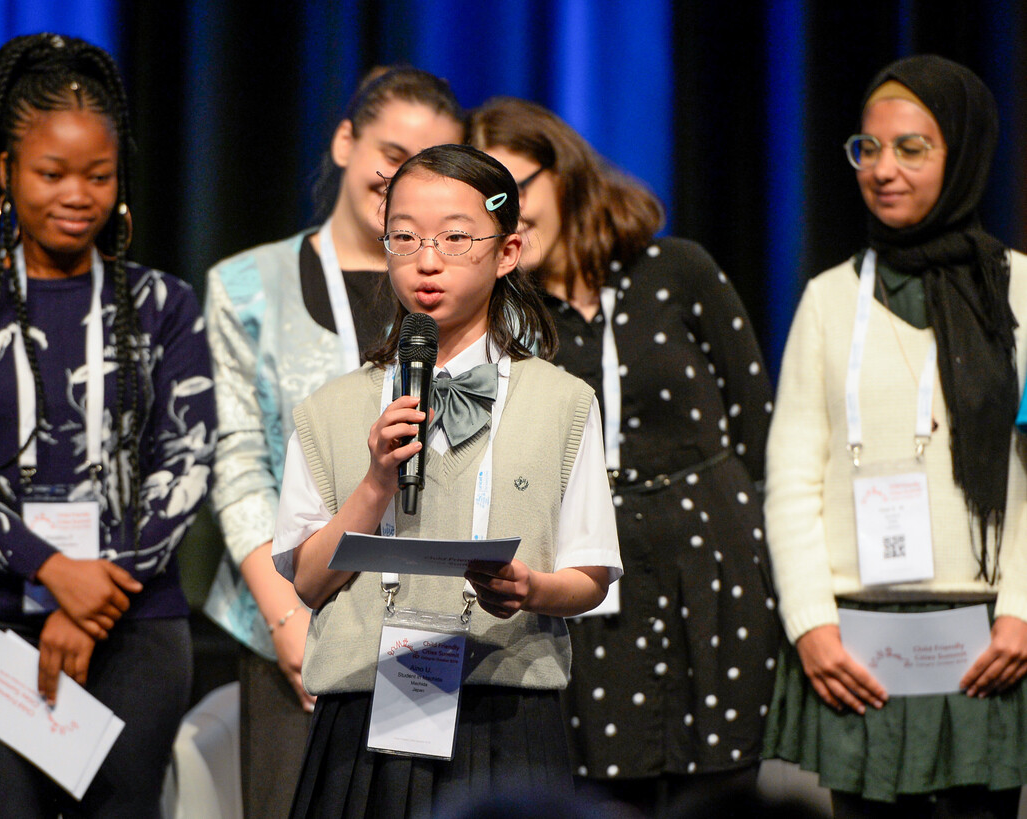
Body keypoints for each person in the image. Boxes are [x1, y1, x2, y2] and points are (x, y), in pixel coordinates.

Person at [0, 34, 216, 817]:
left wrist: (92, 593)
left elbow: (189, 460)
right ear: (6, 172)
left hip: (134, 623)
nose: (78, 194)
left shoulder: (164, 305)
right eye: (52, 173)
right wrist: (51, 568)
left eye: (98, 175)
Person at [270, 143, 622, 817]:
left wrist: (530, 588)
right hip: (363, 713)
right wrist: (376, 482)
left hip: (506, 712)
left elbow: (592, 573)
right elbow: (309, 582)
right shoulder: (331, 409)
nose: (427, 260)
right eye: (405, 237)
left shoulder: (563, 402)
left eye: (456, 238)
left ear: (507, 251)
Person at [470, 98, 779, 815]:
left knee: (720, 796)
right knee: (604, 794)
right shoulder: (502, 321)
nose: (503, 217)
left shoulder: (677, 270)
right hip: (585, 578)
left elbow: (757, 425)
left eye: (512, 191)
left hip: (713, 571)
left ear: (562, 171)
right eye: (483, 207)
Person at [764, 55, 1027, 817]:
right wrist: (811, 623)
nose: (883, 169)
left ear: (963, 153)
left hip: (988, 640)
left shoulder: (1019, 290)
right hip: (857, 645)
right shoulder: (828, 298)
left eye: (912, 148)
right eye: (868, 148)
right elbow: (791, 480)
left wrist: (1022, 608)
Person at [201, 66, 464, 817]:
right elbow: (237, 465)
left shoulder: (459, 289)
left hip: (428, 625)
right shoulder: (248, 286)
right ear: (346, 141)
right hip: (292, 623)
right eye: (391, 154)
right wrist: (289, 615)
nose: (402, 178)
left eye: (429, 164)